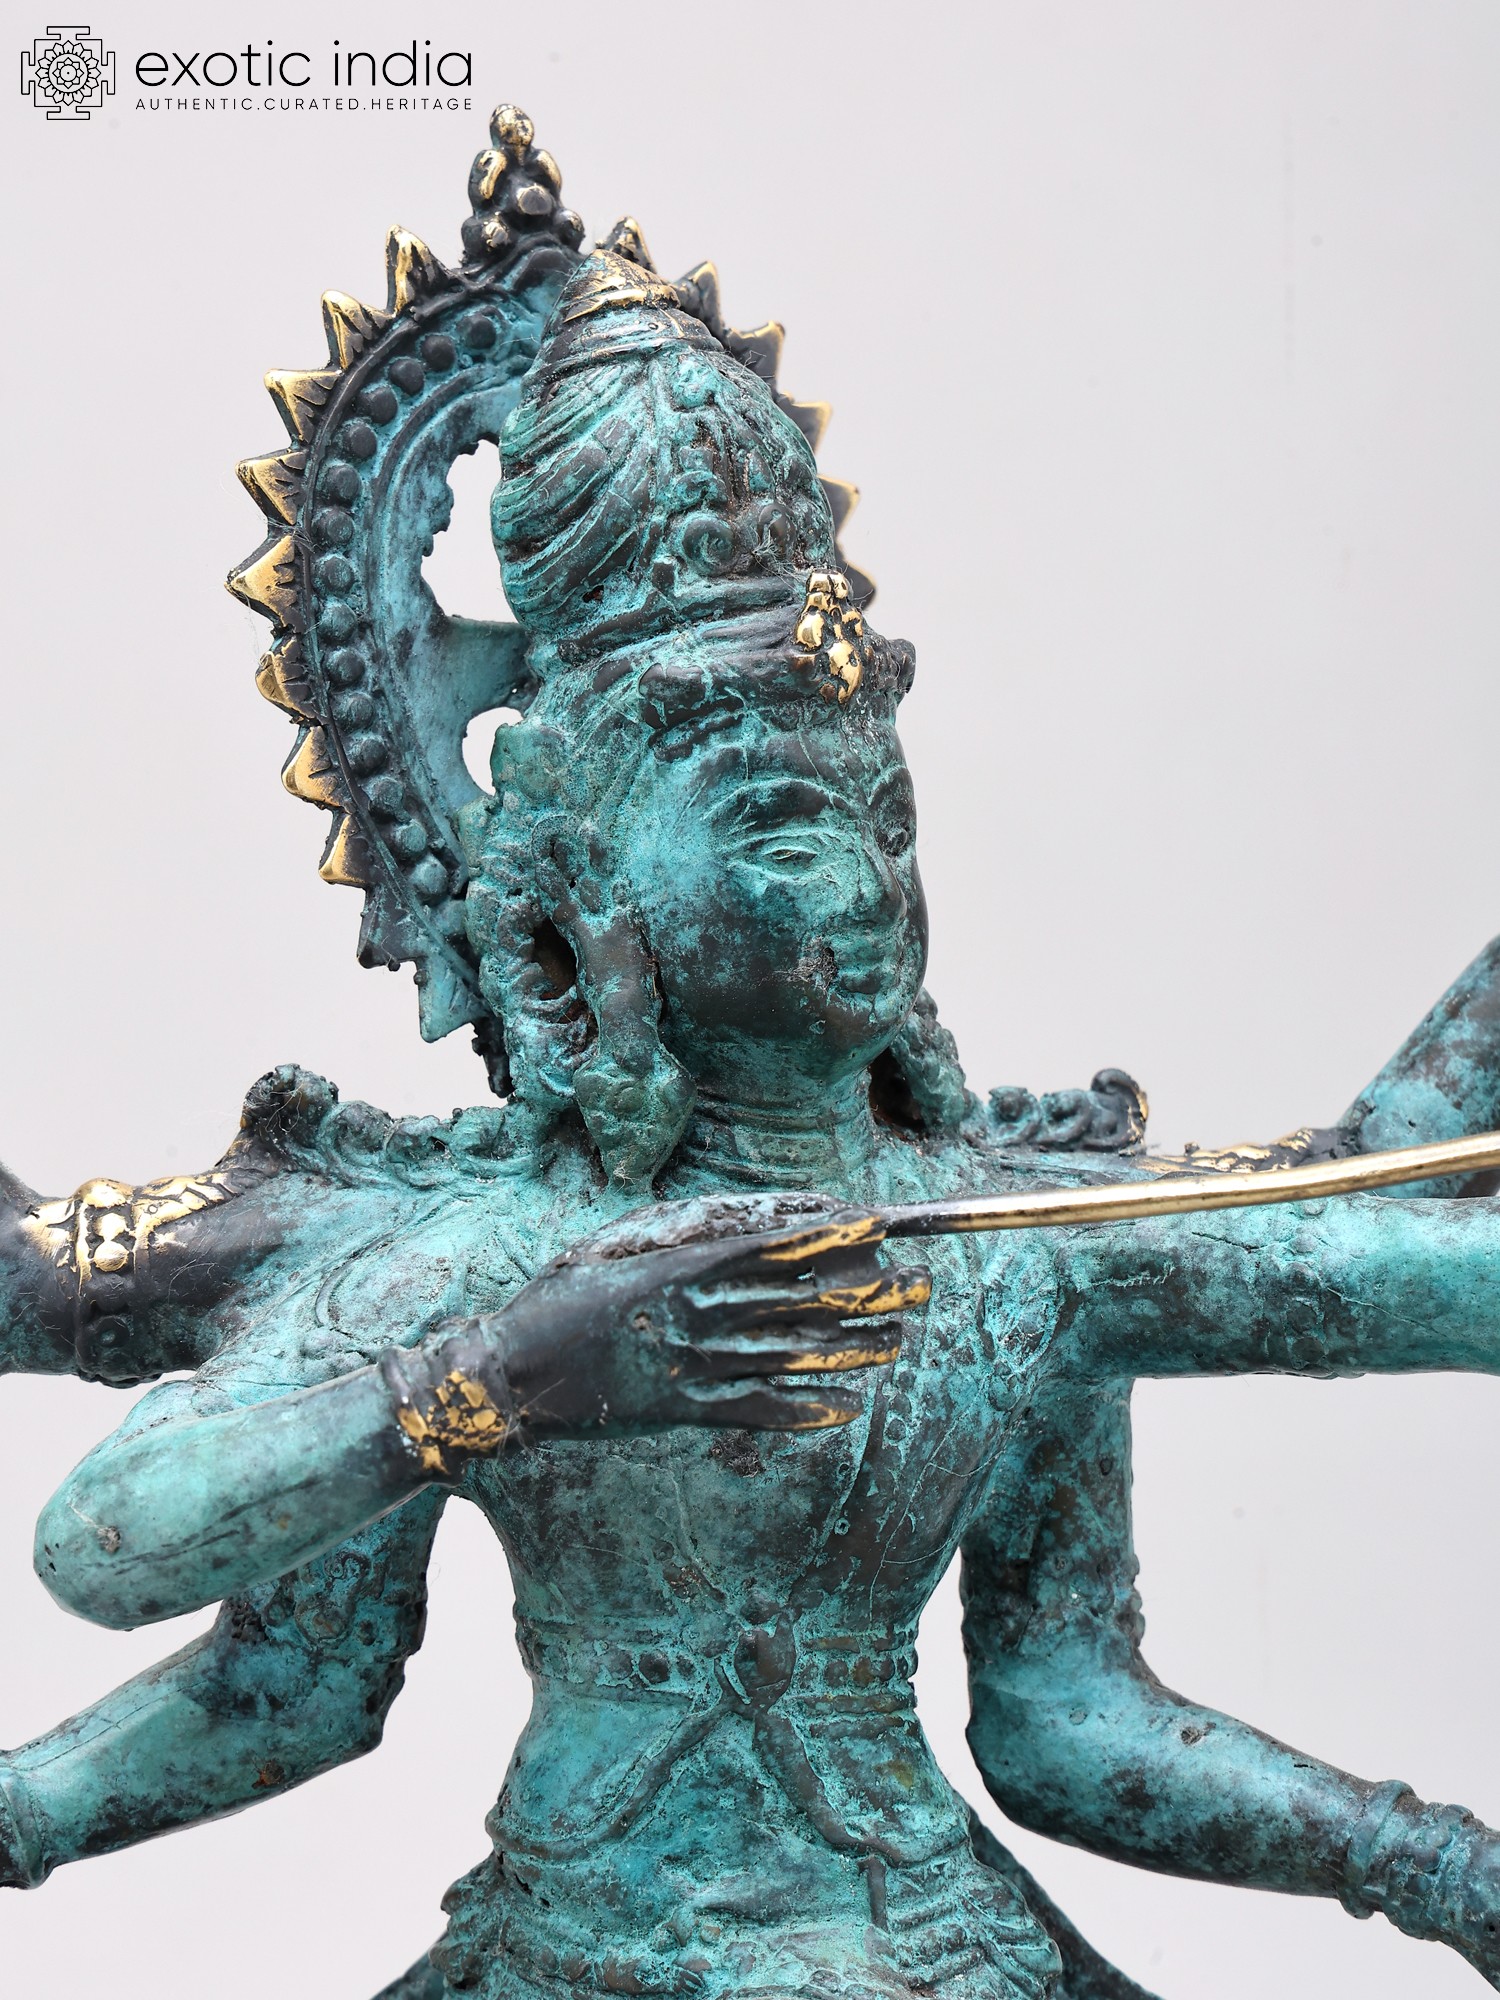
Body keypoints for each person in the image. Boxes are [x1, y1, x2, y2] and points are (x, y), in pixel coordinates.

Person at [2, 211, 1497, 2000]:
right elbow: (176, 1600)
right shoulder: (466, 1266)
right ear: (577, 890)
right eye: (783, 831)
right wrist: (501, 1380)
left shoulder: (1014, 1249)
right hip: (578, 1948)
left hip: (937, 1939)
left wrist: (1431, 1866)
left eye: (889, 826)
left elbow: (1068, 1717)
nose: (865, 892)